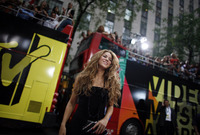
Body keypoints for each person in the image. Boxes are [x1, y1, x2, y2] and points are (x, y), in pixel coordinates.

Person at [59, 49, 121, 135]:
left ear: (111, 64)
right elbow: (71, 103)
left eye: (110, 59)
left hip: (97, 128)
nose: (107, 59)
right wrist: (63, 124)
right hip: (77, 125)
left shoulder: (110, 83)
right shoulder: (82, 78)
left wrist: (105, 120)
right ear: (98, 57)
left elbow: (110, 106)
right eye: (105, 56)